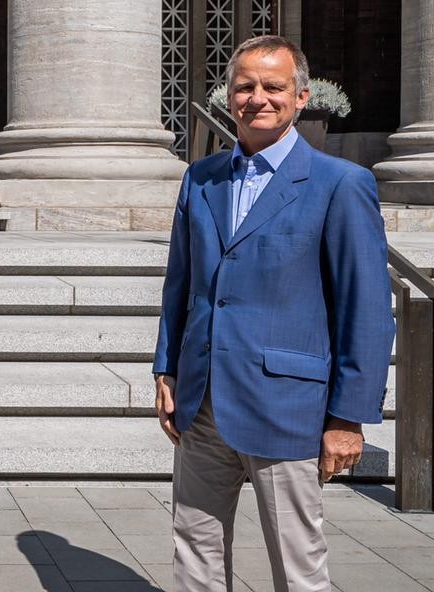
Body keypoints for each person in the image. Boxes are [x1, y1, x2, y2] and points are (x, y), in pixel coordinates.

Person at [153, 34, 394, 592]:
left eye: (273, 86)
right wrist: (167, 368)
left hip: (288, 407)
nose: (257, 97)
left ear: (302, 96)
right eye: (245, 86)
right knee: (194, 549)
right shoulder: (201, 178)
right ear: (228, 96)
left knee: (296, 563)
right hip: (203, 402)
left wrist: (347, 418)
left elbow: (366, 310)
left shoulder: (340, 184)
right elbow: (181, 285)